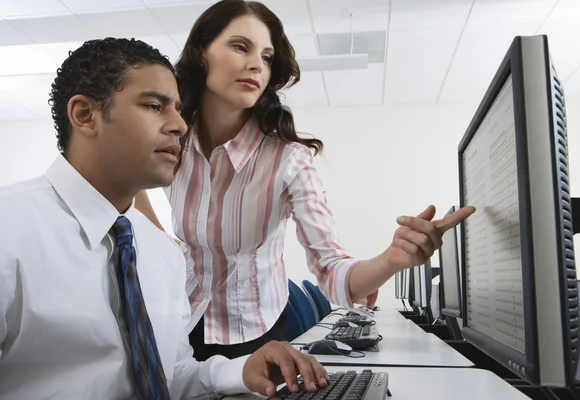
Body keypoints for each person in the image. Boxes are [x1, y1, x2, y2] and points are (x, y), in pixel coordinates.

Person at [135, 0, 475, 361]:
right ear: (200, 53)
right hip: (183, 321)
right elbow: (130, 179)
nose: (256, 64)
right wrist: (163, 242)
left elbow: (333, 272)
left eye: (266, 57)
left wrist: (392, 260)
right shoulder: (175, 138)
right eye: (240, 47)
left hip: (256, 334)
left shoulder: (288, 161)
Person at [0, 37, 329, 399]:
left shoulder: (163, 253)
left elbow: (170, 373)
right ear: (84, 115)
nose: (180, 126)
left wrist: (241, 369)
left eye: (177, 108)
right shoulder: (9, 232)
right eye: (155, 106)